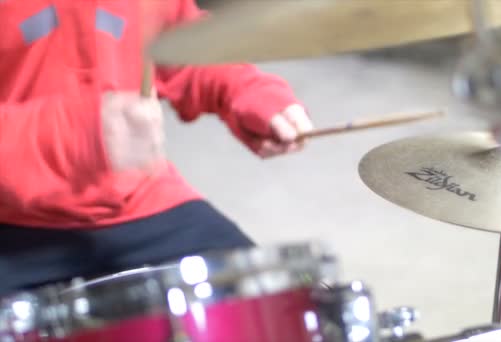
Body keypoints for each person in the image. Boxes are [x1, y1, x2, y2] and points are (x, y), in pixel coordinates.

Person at [0, 0, 313, 295]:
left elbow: (175, 40)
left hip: (141, 199)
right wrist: (82, 135)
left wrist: (245, 89)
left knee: (273, 307)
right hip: (14, 219)